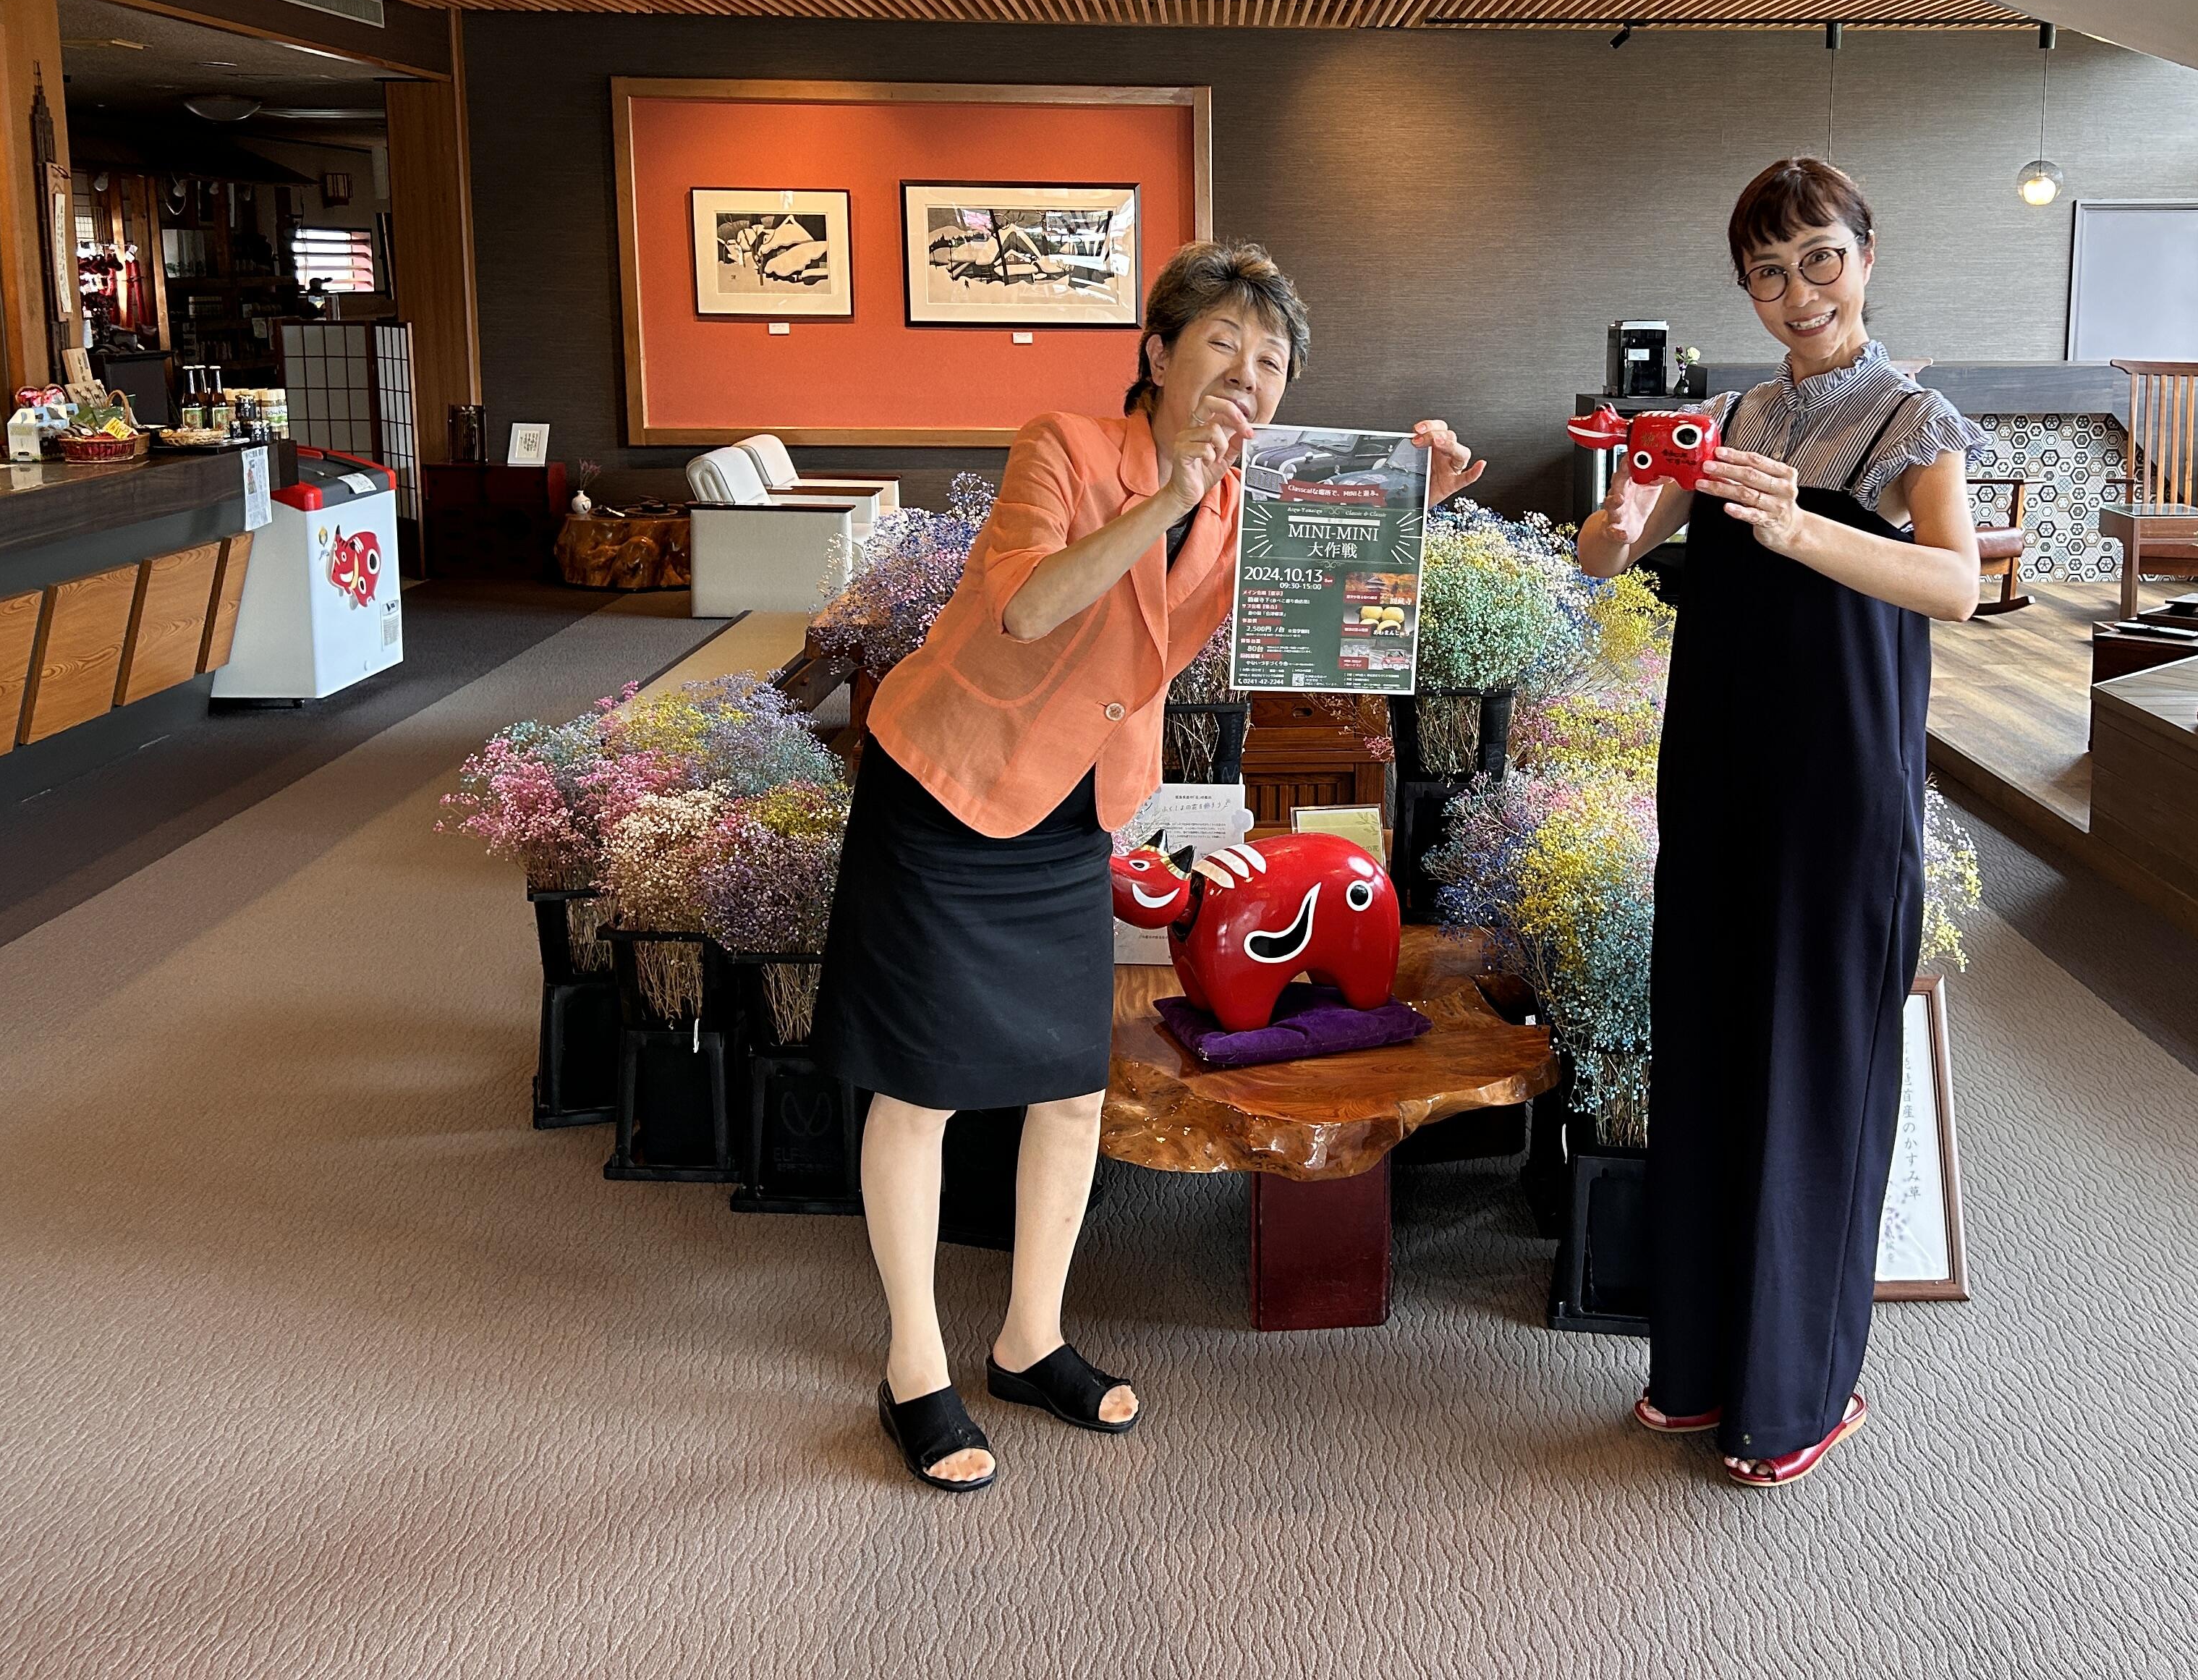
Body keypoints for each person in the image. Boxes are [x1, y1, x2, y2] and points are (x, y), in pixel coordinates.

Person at [815, 239, 1482, 1493]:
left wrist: (1405, 506)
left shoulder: (1250, 497)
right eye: (1223, 343)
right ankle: (913, 1366)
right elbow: (1025, 607)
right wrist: (1166, 497)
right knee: (924, 1093)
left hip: (1075, 807)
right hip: (952, 785)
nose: (1247, 375)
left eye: (1271, 362)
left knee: (1071, 1091)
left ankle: (1029, 1339)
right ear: (1159, 355)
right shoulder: (1066, 449)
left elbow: (1317, 610)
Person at [1575, 157, 1981, 1489]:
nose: (1798, 292)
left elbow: (1957, 587)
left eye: (1820, 259)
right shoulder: (1732, 413)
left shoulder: (1914, 417)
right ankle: (1696, 1370)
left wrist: (1800, 530)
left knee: (1811, 1062)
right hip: (1718, 769)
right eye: (1767, 271)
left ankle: (1789, 1397)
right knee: (1709, 1042)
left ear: (1865, 255)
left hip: (1838, 785)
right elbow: (1608, 557)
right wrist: (1621, 511)